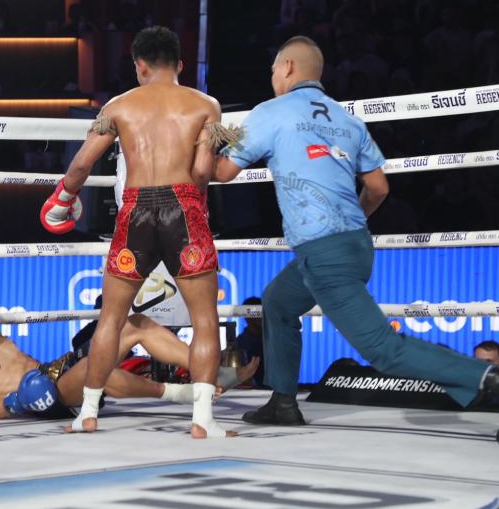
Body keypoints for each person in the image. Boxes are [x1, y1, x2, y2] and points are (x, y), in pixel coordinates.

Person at [213, 35, 498, 425]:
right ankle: (282, 401)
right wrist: (351, 222)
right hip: (354, 244)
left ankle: (486, 378)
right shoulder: (346, 118)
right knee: (277, 301)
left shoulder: (271, 111)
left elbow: (222, 172)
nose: (272, 76)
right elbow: (379, 187)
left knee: (383, 349)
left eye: (274, 68)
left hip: (325, 253)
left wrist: (204, 137)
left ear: (289, 67)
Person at [39, 26, 237, 438]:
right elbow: (203, 171)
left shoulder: (118, 106)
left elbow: (81, 165)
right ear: (180, 65)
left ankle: (87, 414)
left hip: (134, 213)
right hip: (185, 208)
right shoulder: (206, 105)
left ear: (139, 66)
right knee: (205, 319)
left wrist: (62, 201)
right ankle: (202, 421)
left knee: (111, 319)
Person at [0, 282, 258, 421]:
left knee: (135, 324)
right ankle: (186, 393)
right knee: (98, 369)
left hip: (55, 374)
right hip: (45, 401)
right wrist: (19, 402)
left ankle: (209, 373)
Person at [234, 296, 265, 387]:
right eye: (255, 313)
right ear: (247, 317)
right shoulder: (240, 344)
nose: (260, 317)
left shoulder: (274, 341)